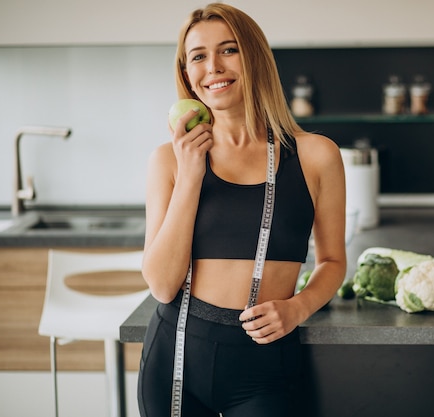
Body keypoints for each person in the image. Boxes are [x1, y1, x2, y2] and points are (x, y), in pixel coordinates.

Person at [137, 3, 347, 417]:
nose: (213, 66)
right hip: (176, 352)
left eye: (228, 50)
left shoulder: (315, 155)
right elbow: (162, 286)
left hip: (264, 364)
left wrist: (298, 307)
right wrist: (192, 174)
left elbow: (333, 261)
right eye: (198, 56)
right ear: (187, 75)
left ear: (254, 59)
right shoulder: (168, 160)